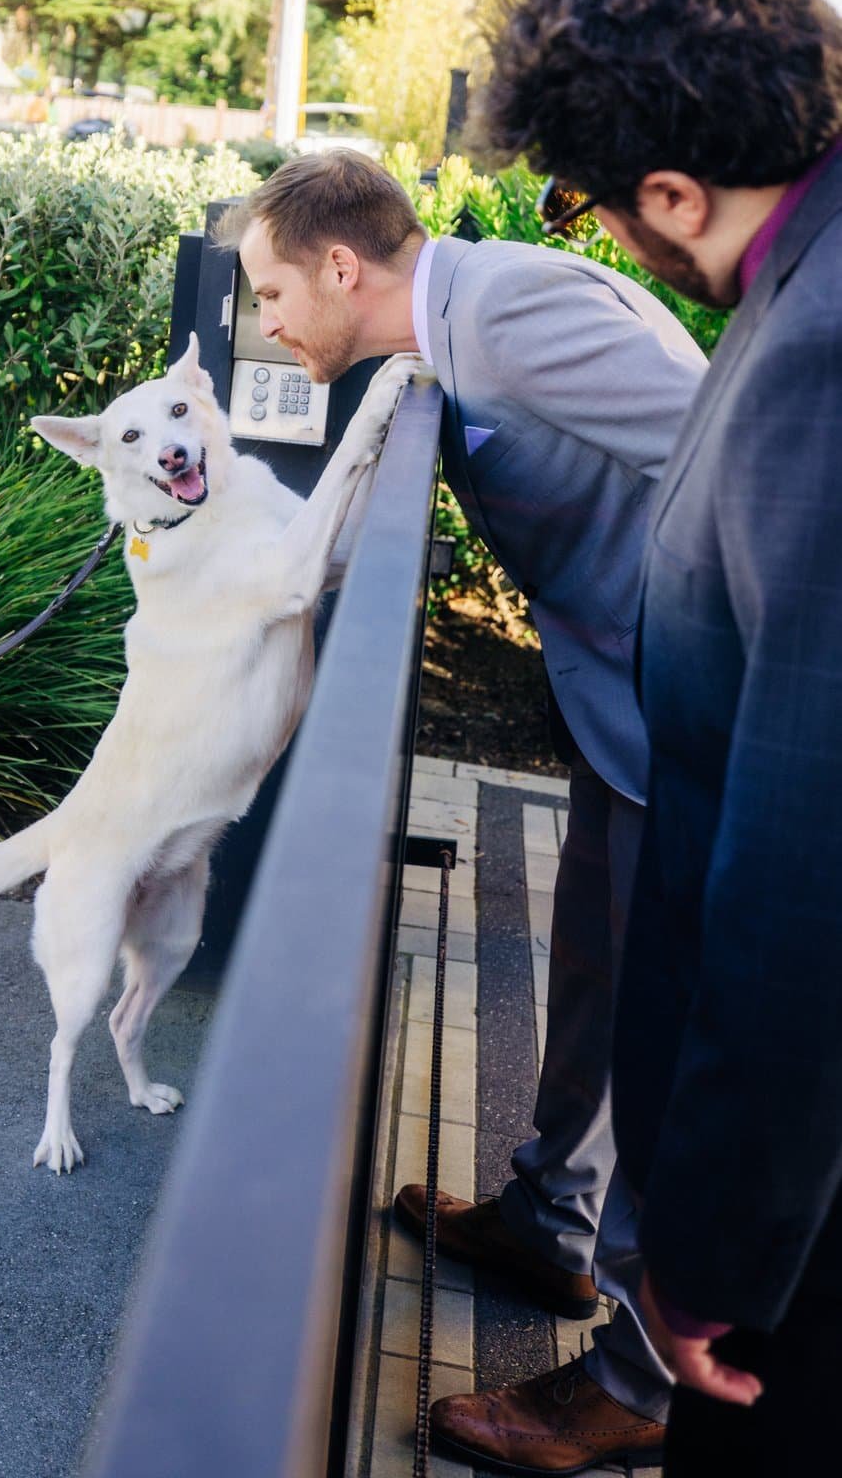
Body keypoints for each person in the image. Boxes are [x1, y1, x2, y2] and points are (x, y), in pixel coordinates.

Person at [223, 148, 705, 1472]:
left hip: (701, 717)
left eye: (270, 292)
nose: (262, 322)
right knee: (597, 972)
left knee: (673, 1038)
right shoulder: (450, 325)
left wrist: (716, 676)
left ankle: (638, 1383)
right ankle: (548, 1224)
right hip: (627, 713)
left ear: (339, 266)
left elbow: (738, 462)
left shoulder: (504, 312)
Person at [473, 0, 842, 1477]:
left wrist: (705, 1253)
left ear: (672, 189)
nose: (612, 241)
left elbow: (797, 862)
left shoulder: (816, 349)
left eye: (601, 206)